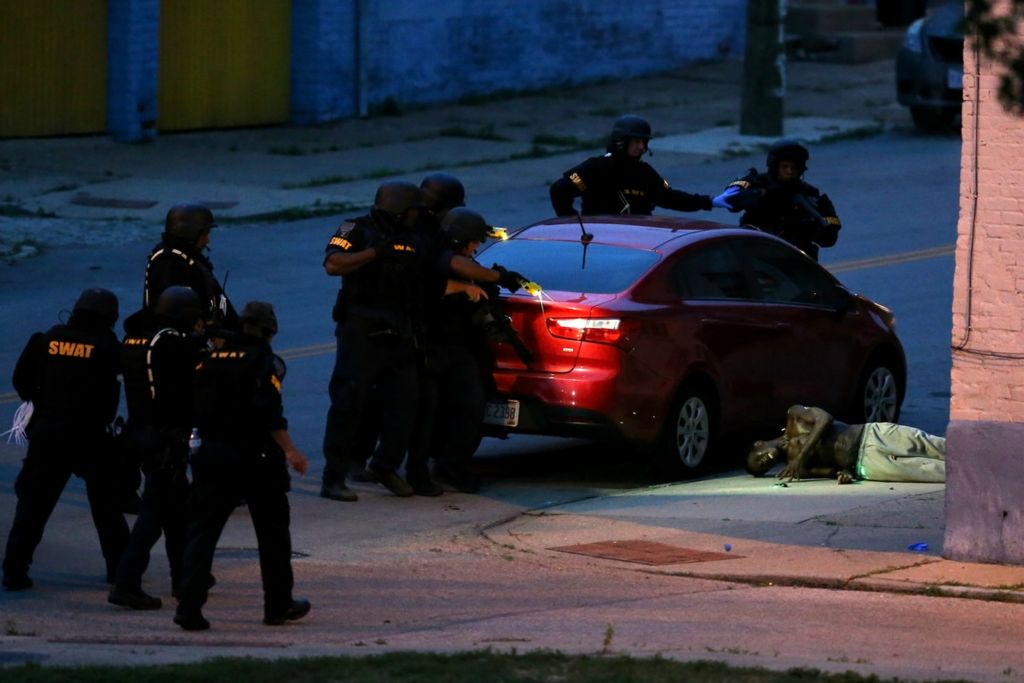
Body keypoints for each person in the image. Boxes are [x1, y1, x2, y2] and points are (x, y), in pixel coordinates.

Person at [174, 301, 310, 631]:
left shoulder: (208, 361)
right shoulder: (264, 362)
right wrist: (291, 451)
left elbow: (191, 406)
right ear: (269, 331)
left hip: (212, 455)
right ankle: (277, 606)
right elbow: (269, 412)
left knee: (202, 534)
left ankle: (189, 608)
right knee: (273, 535)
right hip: (257, 458)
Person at [2, 289, 129, 591]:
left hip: (49, 432)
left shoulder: (45, 339)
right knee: (106, 507)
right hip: (90, 435)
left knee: (33, 506)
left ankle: (14, 570)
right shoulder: (108, 346)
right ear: (109, 317)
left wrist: (41, 402)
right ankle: (121, 570)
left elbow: (21, 379)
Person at [319, 181, 433, 502]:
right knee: (349, 402)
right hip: (360, 329)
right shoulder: (355, 228)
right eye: (413, 210)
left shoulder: (415, 236)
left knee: (406, 401)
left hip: (399, 329)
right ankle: (334, 476)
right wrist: (375, 253)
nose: (417, 216)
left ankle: (385, 466)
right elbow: (332, 264)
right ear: (399, 210)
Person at [107, 287, 207, 611]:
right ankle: (126, 582)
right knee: (154, 513)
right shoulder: (170, 342)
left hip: (141, 433)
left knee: (178, 512)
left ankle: (185, 579)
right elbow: (191, 373)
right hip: (165, 439)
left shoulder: (137, 339)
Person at [406, 208, 497, 495]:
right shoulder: (434, 254)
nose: (476, 247)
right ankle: (418, 471)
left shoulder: (461, 259)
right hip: (430, 347)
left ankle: (450, 465)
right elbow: (445, 272)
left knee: (471, 406)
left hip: (458, 347)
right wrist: (494, 276)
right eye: (473, 241)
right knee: (427, 413)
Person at [549, 114, 717, 217]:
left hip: (638, 239)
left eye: (644, 142)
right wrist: (573, 224)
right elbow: (560, 190)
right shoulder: (596, 168)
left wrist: (707, 201)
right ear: (622, 141)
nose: (642, 147)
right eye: (637, 141)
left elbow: (670, 197)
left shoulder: (645, 172)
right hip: (603, 241)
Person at [745, 405, 946, 484]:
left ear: (758, 444)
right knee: (929, 471)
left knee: (933, 445)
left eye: (759, 457)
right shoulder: (797, 469)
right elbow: (830, 471)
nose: (766, 461)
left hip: (871, 434)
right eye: (764, 467)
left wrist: (800, 457)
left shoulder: (794, 417)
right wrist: (843, 476)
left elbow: (825, 418)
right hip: (866, 464)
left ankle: (977, 454)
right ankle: (976, 477)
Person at [714, 138, 841, 261]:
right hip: (757, 256)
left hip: (795, 260)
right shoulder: (754, 181)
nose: (790, 171)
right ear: (774, 166)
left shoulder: (810, 195)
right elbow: (730, 199)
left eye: (794, 168)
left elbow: (829, 238)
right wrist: (764, 195)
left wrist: (810, 225)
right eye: (785, 166)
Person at [143, 203, 238, 330]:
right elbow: (175, 312)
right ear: (191, 233)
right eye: (205, 234)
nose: (207, 240)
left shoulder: (188, 257)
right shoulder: (170, 263)